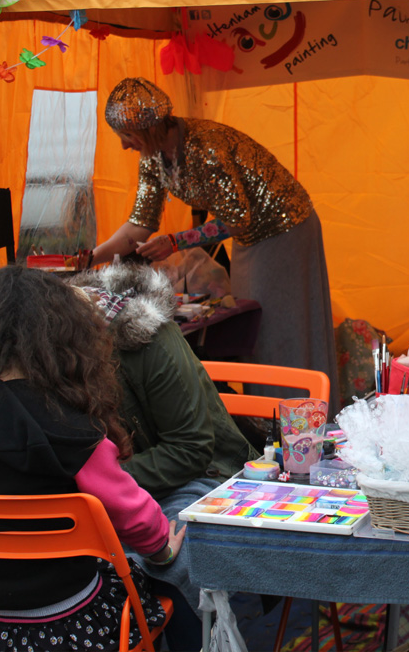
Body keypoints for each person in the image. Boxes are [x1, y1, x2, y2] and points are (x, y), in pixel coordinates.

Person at [0, 265, 185, 652]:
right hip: (71, 622)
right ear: (64, 340)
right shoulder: (75, 431)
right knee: (157, 584)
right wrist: (162, 546)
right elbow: (133, 515)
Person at [91, 77, 338, 397]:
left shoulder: (206, 147)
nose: (125, 145)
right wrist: (91, 257)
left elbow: (237, 219)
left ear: (148, 128)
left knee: (279, 328)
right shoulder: (152, 158)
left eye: (127, 135)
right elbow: (140, 224)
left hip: (285, 228)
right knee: (253, 327)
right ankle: (266, 410)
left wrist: (175, 242)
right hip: (249, 237)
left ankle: (296, 409)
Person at [71, 262, 258, 650]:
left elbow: (190, 450)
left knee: (171, 559)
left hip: (198, 474)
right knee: (70, 562)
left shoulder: (148, 339)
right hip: (101, 488)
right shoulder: (34, 362)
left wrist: (100, 483)